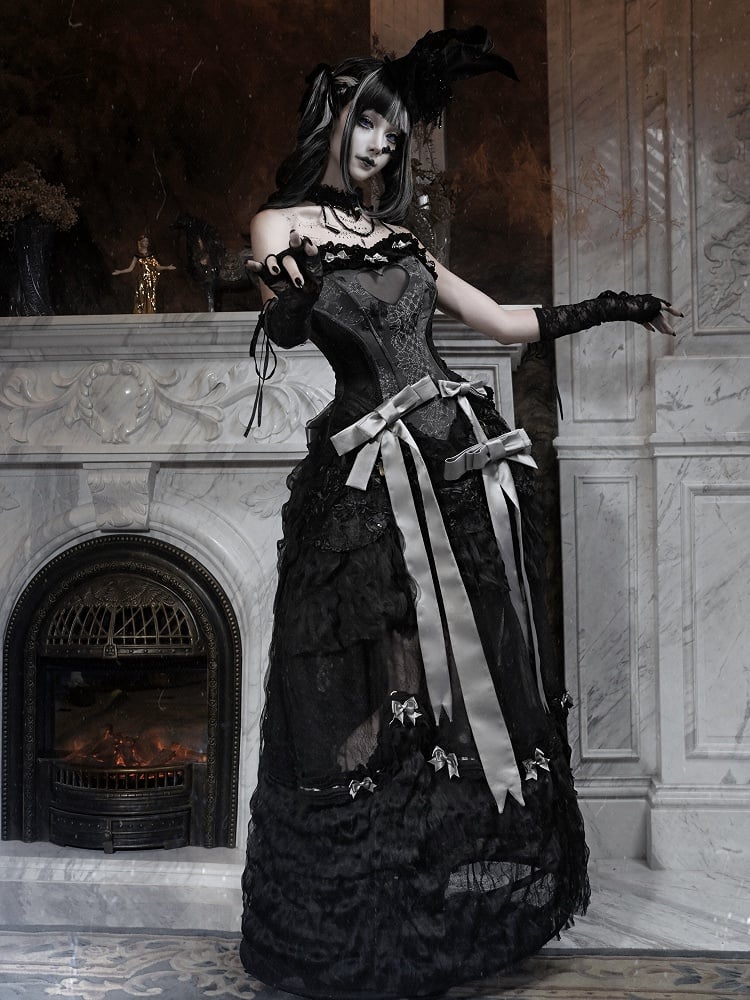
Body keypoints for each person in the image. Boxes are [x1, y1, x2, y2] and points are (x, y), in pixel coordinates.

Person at [240, 27, 679, 1000]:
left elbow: (505, 323)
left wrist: (611, 305)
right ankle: (371, 917)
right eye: (370, 124)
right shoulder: (280, 225)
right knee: (377, 690)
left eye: (394, 132)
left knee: (464, 688)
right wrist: (289, 296)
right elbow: (281, 321)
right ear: (333, 118)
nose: (383, 144)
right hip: (367, 485)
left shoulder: (404, 241)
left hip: (454, 468)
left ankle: (445, 915)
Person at [112, 234, 176, 313]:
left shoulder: (151, 255)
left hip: (150, 279)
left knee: (150, 296)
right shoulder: (137, 256)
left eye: (147, 241)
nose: (146, 243)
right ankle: (140, 313)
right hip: (141, 279)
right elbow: (130, 268)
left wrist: (167, 267)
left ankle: (150, 312)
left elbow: (157, 267)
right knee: (140, 296)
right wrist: (120, 272)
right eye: (144, 241)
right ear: (140, 242)